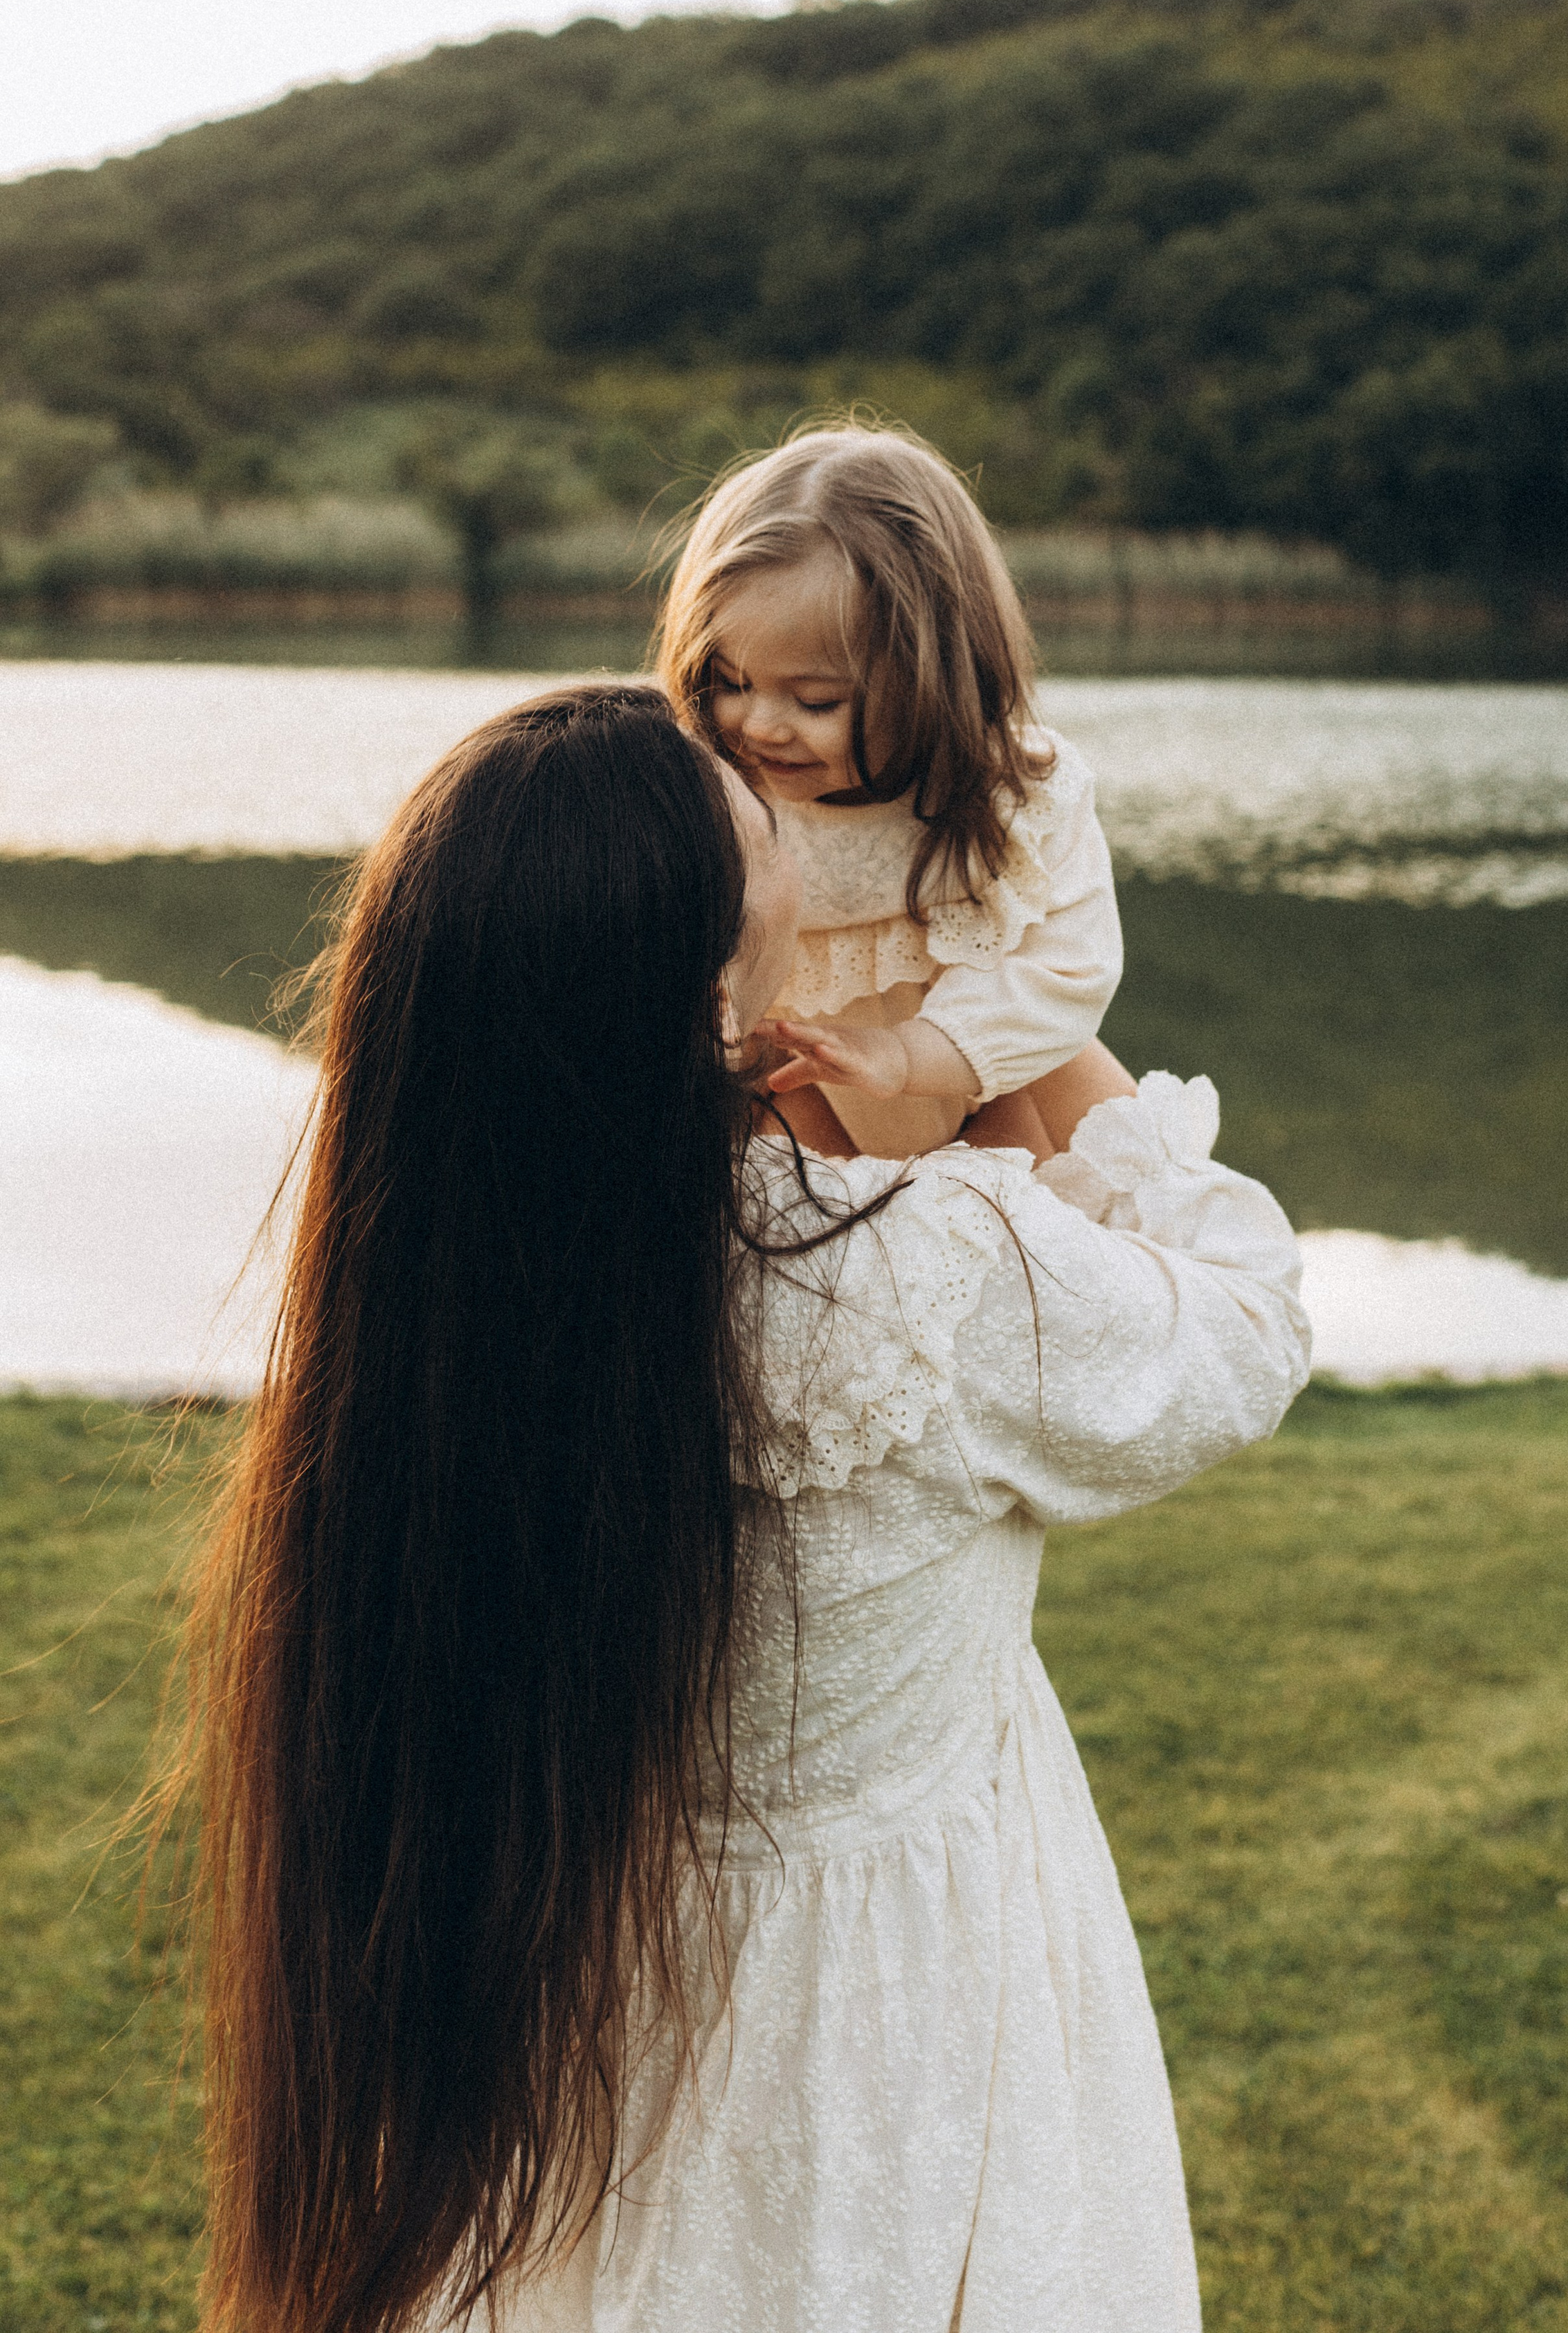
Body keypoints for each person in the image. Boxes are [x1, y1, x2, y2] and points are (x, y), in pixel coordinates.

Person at [172, 682, 1309, 2333]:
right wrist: (1029, 1006)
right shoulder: (900, 1270)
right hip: (894, 2037)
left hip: (560, 2016)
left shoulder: (443, 1266)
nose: (788, 808)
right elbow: (1241, 1327)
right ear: (706, 971)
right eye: (757, 818)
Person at [655, 424, 1123, 1161]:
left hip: (1001, 1088)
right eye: (731, 683)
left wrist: (910, 1055)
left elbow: (1068, 969)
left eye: (815, 701)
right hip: (793, 1093)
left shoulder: (1011, 799)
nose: (761, 725)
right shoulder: (710, 795)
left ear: (933, 675)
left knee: (1056, 1245)